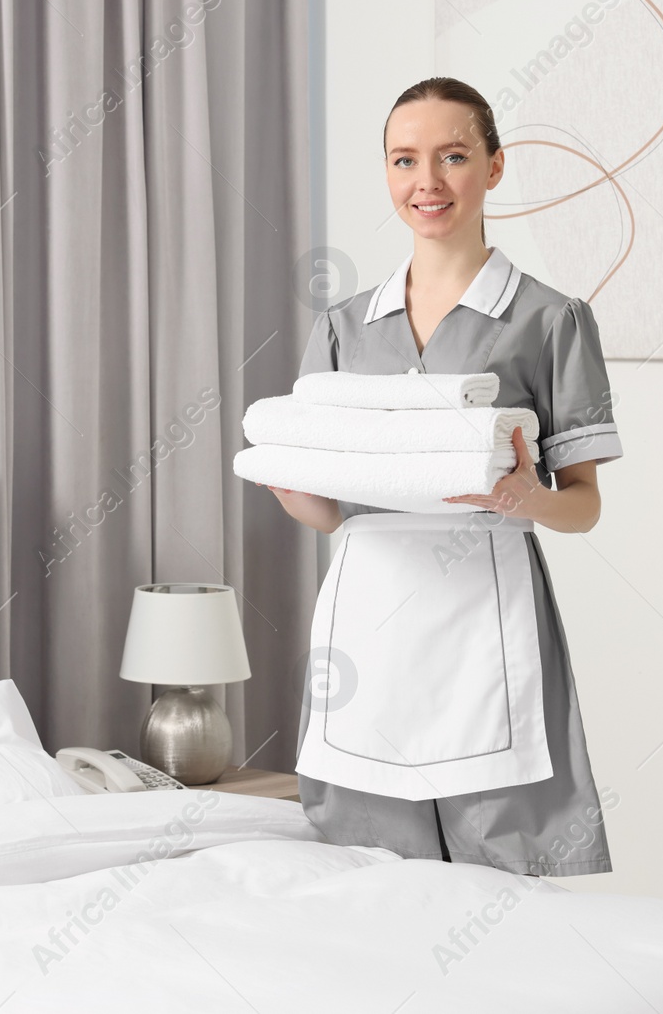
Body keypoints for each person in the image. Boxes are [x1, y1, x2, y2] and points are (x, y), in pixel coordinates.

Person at [261, 77, 622, 877]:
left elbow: (586, 507)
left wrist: (528, 498)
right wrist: (298, 497)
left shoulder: (550, 319)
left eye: (452, 156)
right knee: (368, 869)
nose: (426, 181)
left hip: (485, 608)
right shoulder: (342, 326)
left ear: (494, 167)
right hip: (370, 613)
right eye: (404, 159)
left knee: (506, 861)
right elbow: (340, 513)